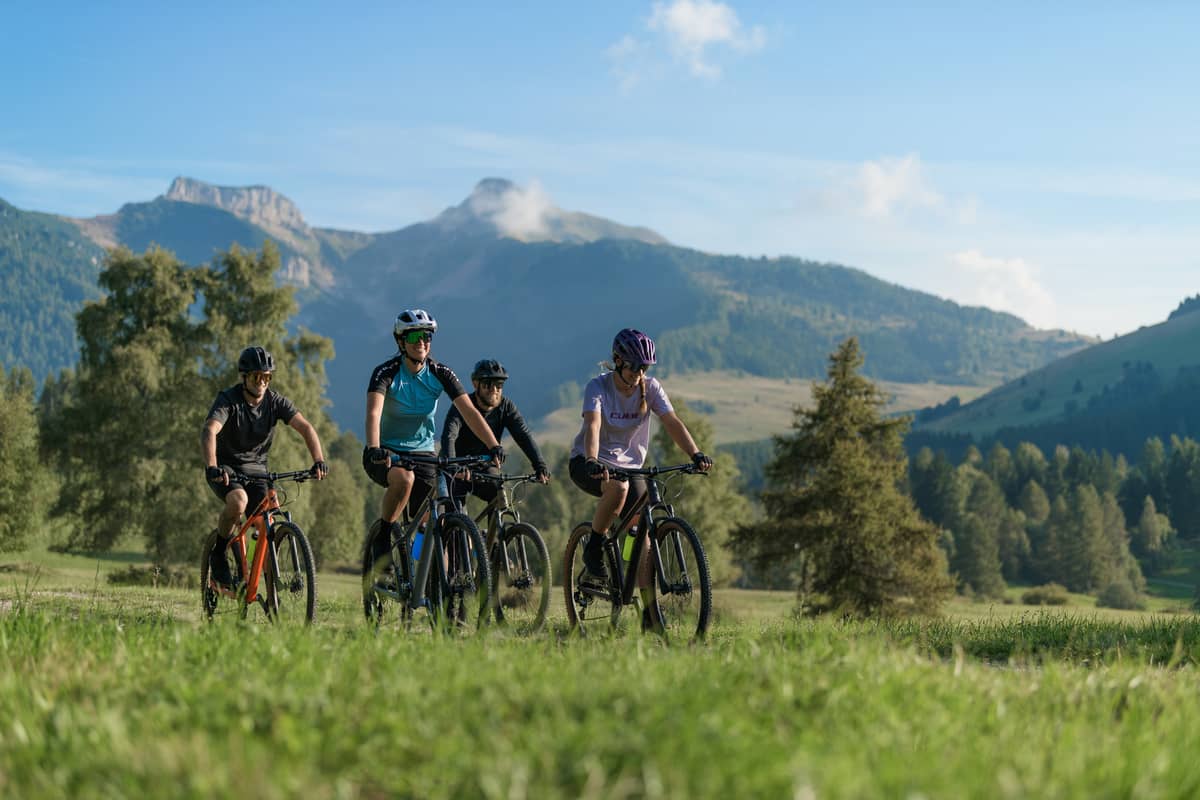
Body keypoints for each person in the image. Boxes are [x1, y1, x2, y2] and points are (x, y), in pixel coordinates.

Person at [568, 329, 712, 603]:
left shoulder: (652, 388)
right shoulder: (597, 387)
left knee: (641, 529)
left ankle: (648, 610)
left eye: (644, 367)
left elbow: (672, 422)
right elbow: (593, 425)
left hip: (630, 468)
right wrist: (591, 460)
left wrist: (695, 453)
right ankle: (595, 546)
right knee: (619, 489)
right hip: (587, 462)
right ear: (617, 361)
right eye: (634, 366)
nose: (639, 373)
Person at [362, 310, 505, 558]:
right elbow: (374, 413)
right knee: (404, 480)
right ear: (401, 341)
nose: (422, 342)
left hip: (423, 454)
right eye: (415, 335)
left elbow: (470, 413)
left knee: (430, 522)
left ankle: (424, 573)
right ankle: (384, 535)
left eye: (427, 336)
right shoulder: (386, 372)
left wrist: (493, 446)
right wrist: (375, 448)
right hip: (386, 451)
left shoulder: (440, 373)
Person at [201, 345, 328, 588]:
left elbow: (306, 428)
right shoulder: (229, 400)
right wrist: (212, 466)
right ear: (245, 377)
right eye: (256, 376)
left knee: (267, 523)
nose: (262, 382)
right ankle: (219, 551)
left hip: (258, 473)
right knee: (238, 502)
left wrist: (318, 460)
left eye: (267, 377)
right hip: (227, 470)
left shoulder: (275, 401)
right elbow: (210, 430)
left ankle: (267, 587)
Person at [441, 359, 550, 515]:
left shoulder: (506, 407)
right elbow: (449, 435)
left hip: (484, 466)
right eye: (487, 384)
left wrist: (540, 465)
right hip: (457, 465)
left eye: (499, 385)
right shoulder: (463, 405)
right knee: (456, 517)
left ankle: (495, 537)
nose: (494, 390)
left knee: (498, 493)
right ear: (475, 383)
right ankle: (461, 534)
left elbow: (523, 435)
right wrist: (452, 465)